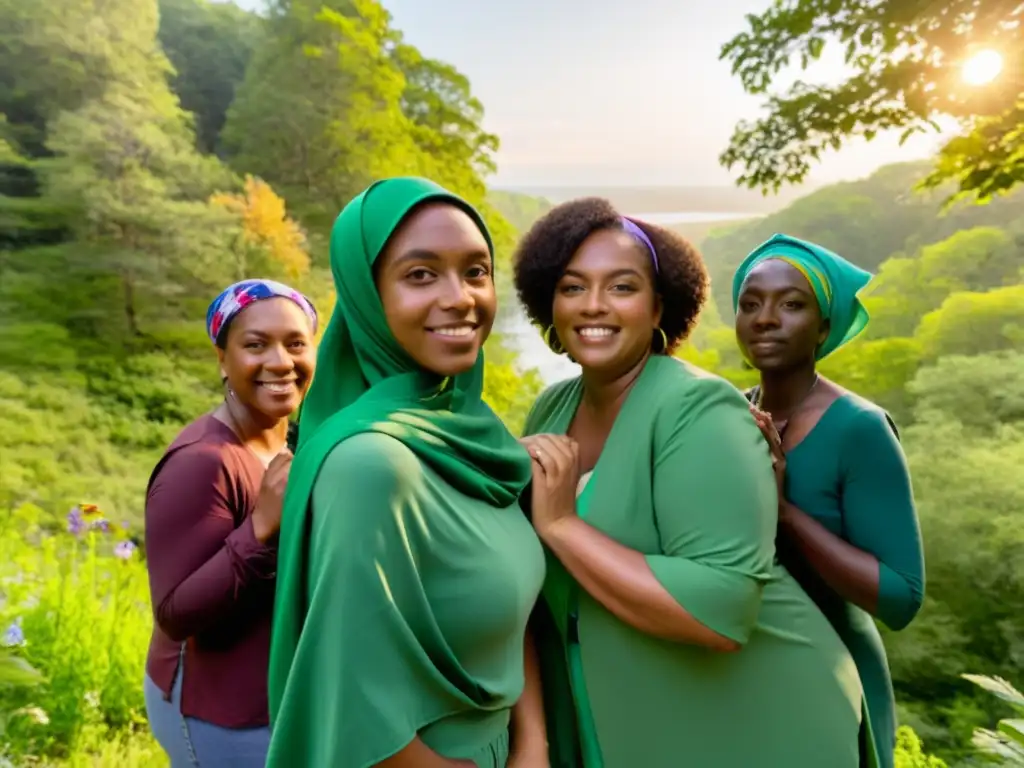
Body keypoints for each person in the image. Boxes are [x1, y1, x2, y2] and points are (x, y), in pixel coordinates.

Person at [512, 197, 867, 768]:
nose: (594, 305)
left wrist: (561, 525)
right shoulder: (554, 406)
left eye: (622, 287)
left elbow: (720, 613)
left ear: (660, 308)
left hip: (755, 726)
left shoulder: (699, 409)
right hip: (618, 711)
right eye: (573, 287)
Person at [266, 177, 548, 768]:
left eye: (476, 271)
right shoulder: (371, 465)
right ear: (367, 296)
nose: (461, 298)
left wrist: (533, 743)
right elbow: (350, 697)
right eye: (421, 275)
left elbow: (510, 610)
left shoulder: (469, 435)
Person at [733, 233, 925, 768]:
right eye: (751, 304)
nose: (765, 318)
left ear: (824, 326)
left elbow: (901, 598)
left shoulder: (860, 428)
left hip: (835, 676)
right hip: (744, 672)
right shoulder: (729, 412)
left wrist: (783, 513)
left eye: (791, 305)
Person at [143, 279, 319, 766]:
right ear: (222, 358)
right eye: (255, 345)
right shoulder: (204, 462)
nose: (281, 362)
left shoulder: (290, 440)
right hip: (215, 713)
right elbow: (175, 614)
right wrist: (260, 527)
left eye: (296, 343)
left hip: (269, 697)